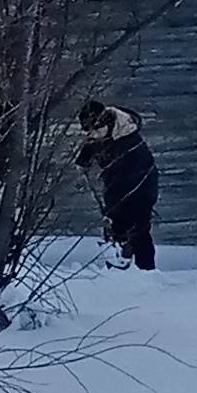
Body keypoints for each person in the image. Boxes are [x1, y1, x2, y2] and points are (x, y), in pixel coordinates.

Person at [76, 103, 157, 270]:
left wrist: (113, 206)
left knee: (138, 228)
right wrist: (82, 163)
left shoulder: (128, 140)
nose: (93, 135)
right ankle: (116, 269)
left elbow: (123, 177)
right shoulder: (101, 134)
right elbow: (91, 148)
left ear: (105, 123)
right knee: (114, 227)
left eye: (95, 130)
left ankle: (147, 271)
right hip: (115, 186)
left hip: (141, 186)